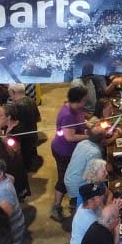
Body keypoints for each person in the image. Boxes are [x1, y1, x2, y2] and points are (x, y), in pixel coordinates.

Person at [50, 86, 91, 219]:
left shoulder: (76, 108)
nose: (86, 102)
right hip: (63, 151)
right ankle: (56, 207)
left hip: (71, 150)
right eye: (84, 100)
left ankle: (73, 201)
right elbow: (69, 137)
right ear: (77, 100)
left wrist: (88, 124)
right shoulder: (68, 115)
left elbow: (80, 120)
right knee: (64, 179)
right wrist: (89, 136)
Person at [63, 122, 108, 203]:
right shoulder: (95, 152)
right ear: (102, 140)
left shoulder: (82, 143)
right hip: (78, 185)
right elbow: (95, 176)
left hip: (69, 179)